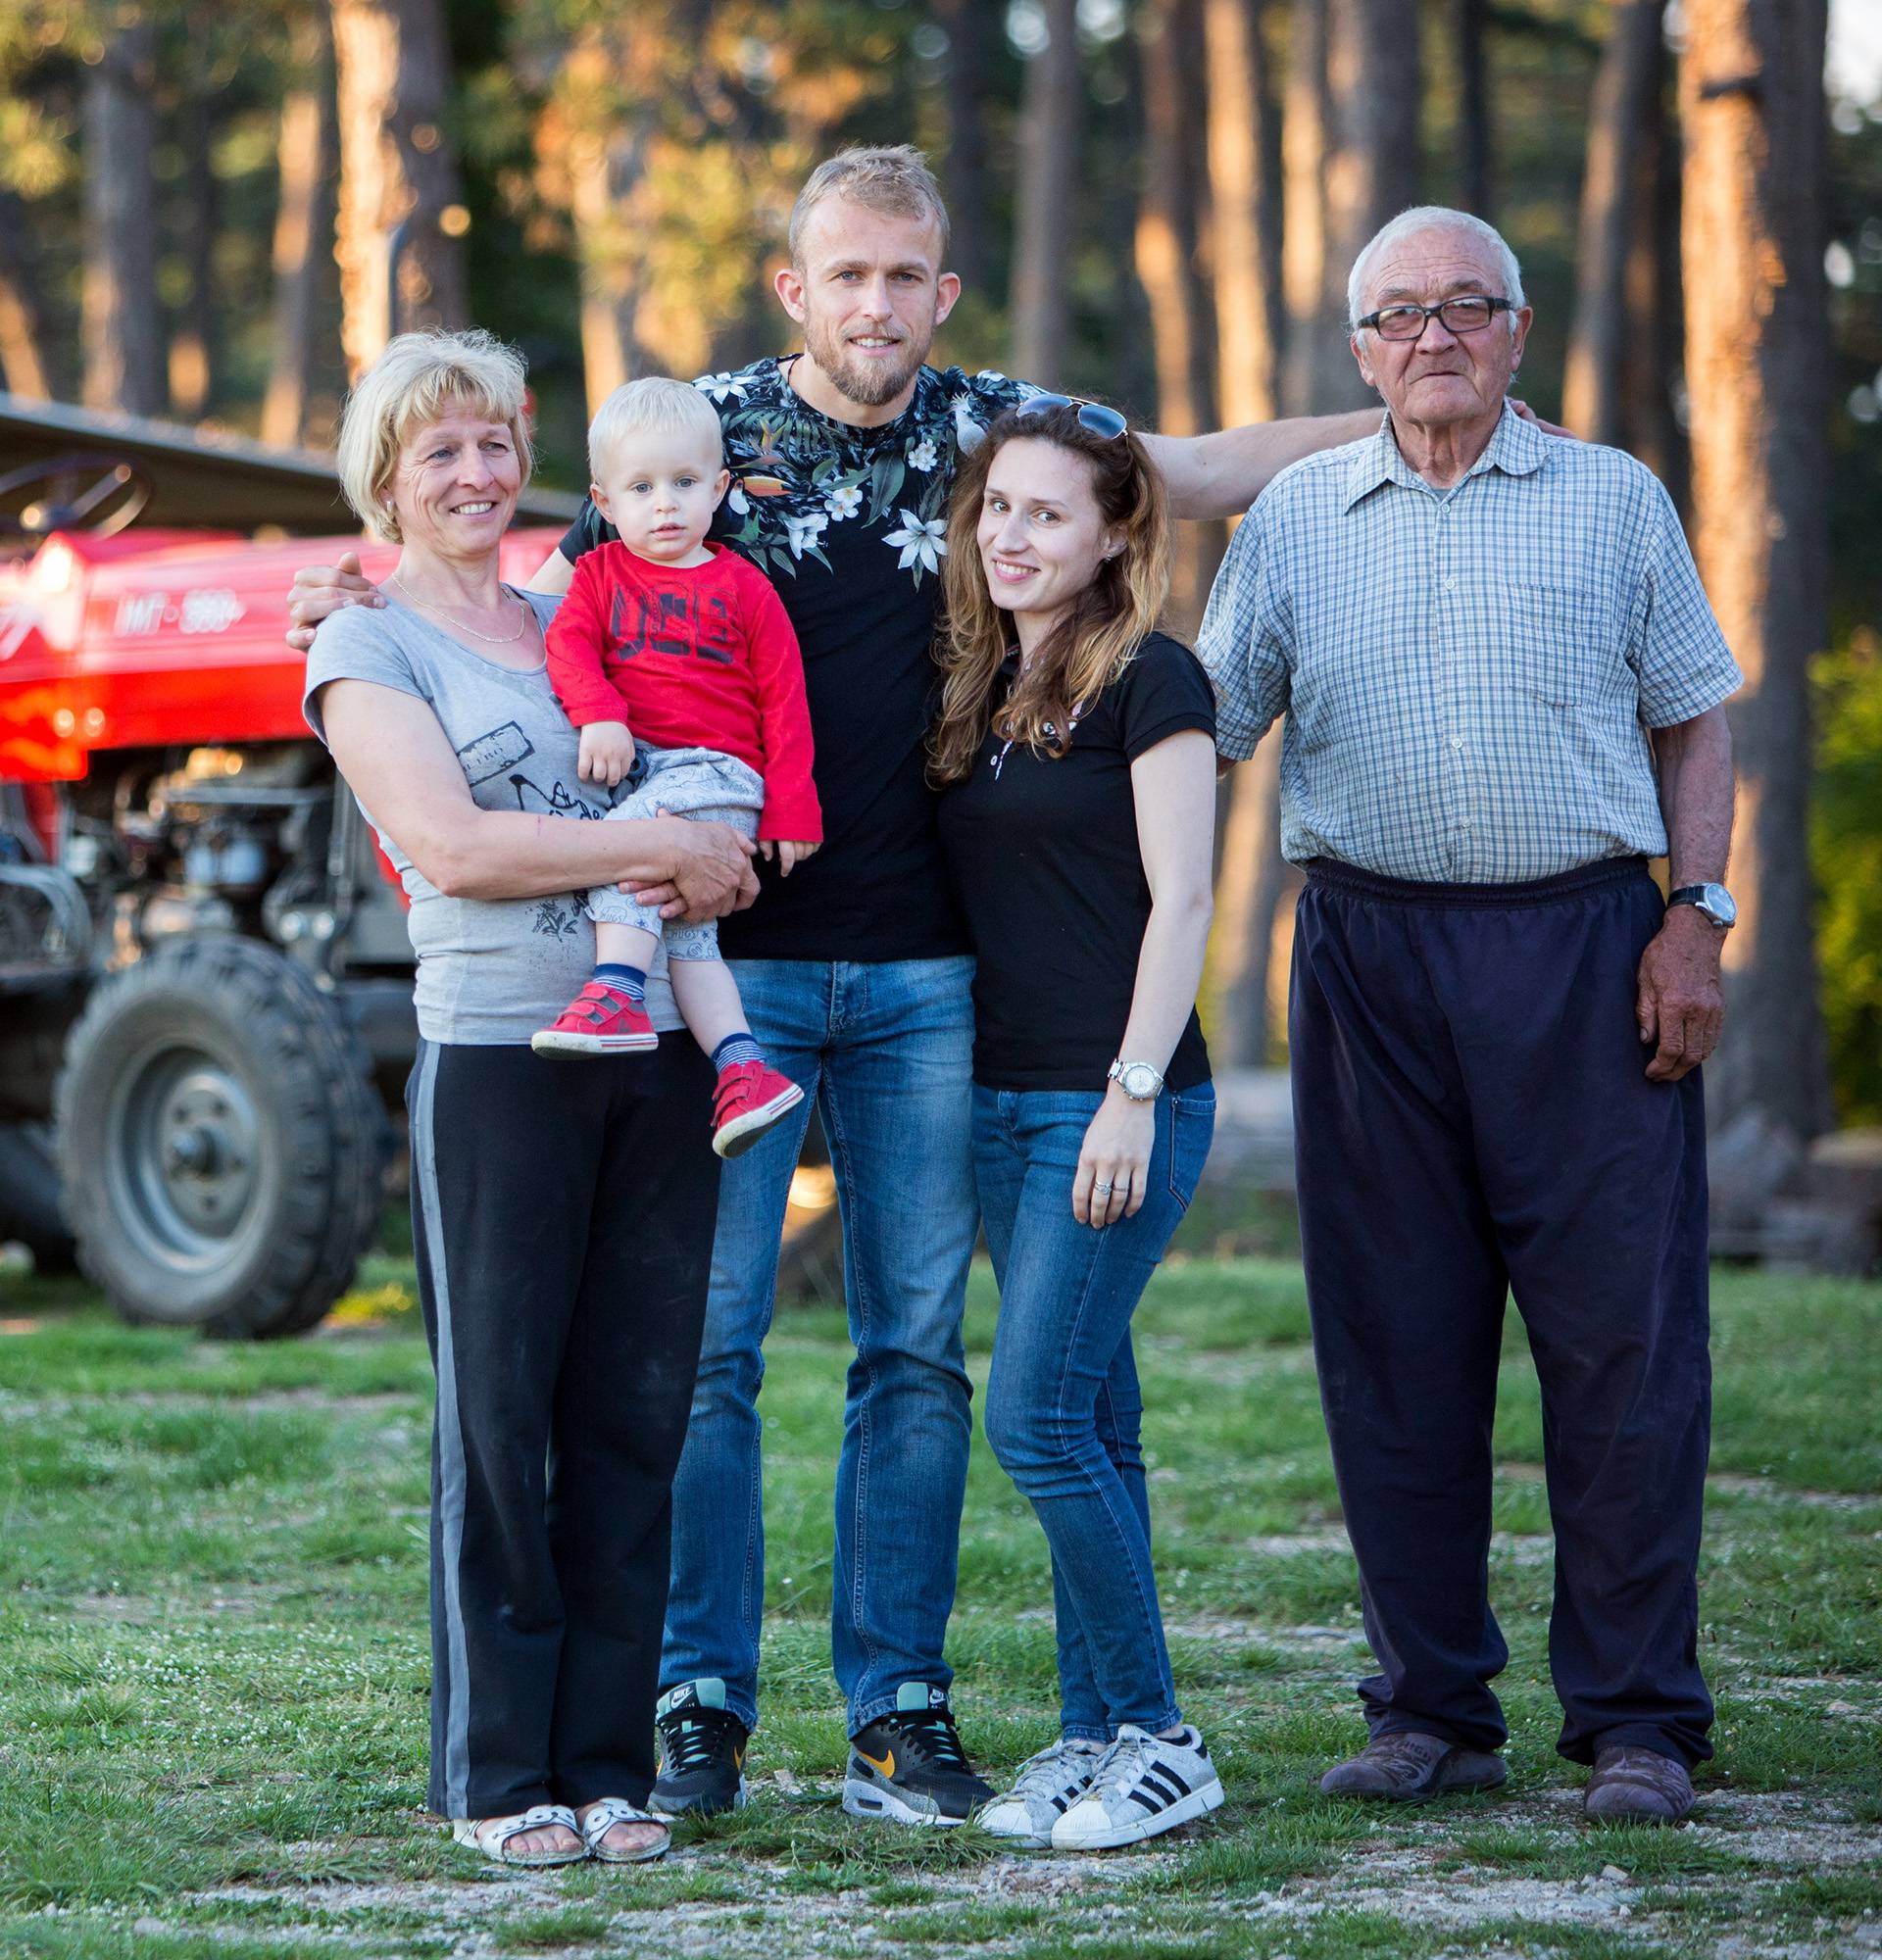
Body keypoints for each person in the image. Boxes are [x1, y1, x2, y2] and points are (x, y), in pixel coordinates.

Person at [286, 145, 1420, 1831]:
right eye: (847, 275)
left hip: (921, 982)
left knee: (912, 1353)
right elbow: (543, 604)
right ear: (794, 288)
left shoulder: (997, 430)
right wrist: (340, 592)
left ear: (941, 290)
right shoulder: (696, 431)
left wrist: (1410, 418)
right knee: (709, 1358)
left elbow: (1181, 469)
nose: (877, 303)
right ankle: (694, 1707)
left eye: (907, 276)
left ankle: (898, 1712)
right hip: (720, 967)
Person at [1200, 206, 1741, 1826]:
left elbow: (1695, 723)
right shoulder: (1295, 518)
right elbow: (1209, 724)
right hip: (1368, 957)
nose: (1432, 337)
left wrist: (1694, 922)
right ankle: (1430, 1709)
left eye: (1465, 307)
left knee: (1622, 1350)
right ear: (1359, 353)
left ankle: (1640, 1720)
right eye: (1398, 316)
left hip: (1586, 951)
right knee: (1393, 1346)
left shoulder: (1613, 500)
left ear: (1516, 331)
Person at [302, 329, 757, 1868]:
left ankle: (607, 1767)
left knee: (634, 1418)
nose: (478, 473)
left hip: (654, 1059)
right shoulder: (364, 649)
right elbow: (459, 847)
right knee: (501, 1425)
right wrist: (666, 854)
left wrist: (718, 830)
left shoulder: (587, 607)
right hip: (499, 1059)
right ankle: (499, 1780)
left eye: (496, 441)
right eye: (441, 449)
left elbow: (705, 738)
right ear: (388, 479)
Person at [931, 397, 1222, 1849]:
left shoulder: (1154, 681)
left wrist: (1132, 1088)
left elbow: (1184, 901)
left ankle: (1164, 1737)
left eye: (1047, 512)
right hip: (993, 1102)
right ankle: (1094, 1731)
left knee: (1038, 1416)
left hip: (1112, 1102)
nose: (1013, 536)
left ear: (1114, 533)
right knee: (1096, 1418)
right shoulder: (979, 692)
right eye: (997, 510)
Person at [532, 377, 818, 1162]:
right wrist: (602, 713)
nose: (666, 505)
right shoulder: (595, 577)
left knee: (622, 848)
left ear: (720, 488)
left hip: (717, 775)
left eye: (686, 484)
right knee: (692, 945)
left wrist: (792, 812)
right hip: (642, 771)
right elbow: (565, 647)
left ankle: (616, 994)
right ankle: (743, 1068)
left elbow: (784, 702)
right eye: (642, 487)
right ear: (603, 500)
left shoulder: (743, 587)